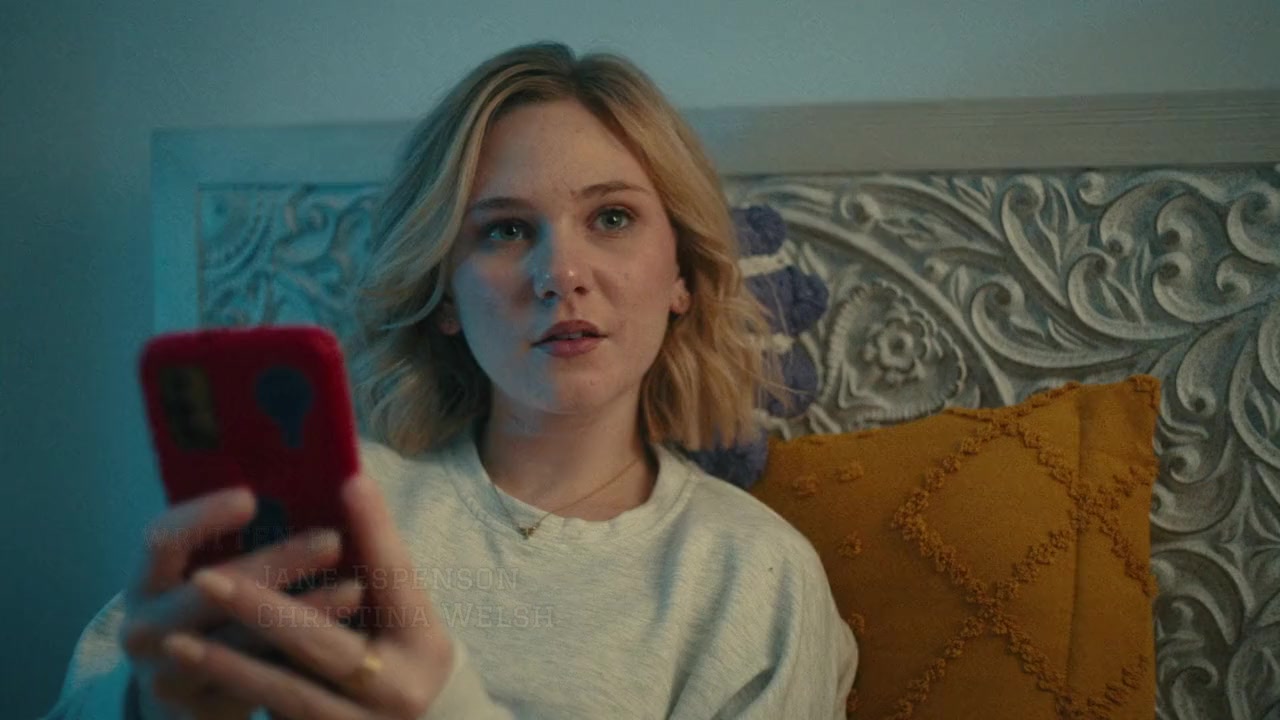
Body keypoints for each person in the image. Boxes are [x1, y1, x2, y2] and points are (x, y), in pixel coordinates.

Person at [47, 41, 858, 719]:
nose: (561, 272)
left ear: (680, 274)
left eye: (612, 217)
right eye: (505, 230)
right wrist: (147, 703)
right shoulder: (325, 505)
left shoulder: (753, 576)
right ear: (443, 295)